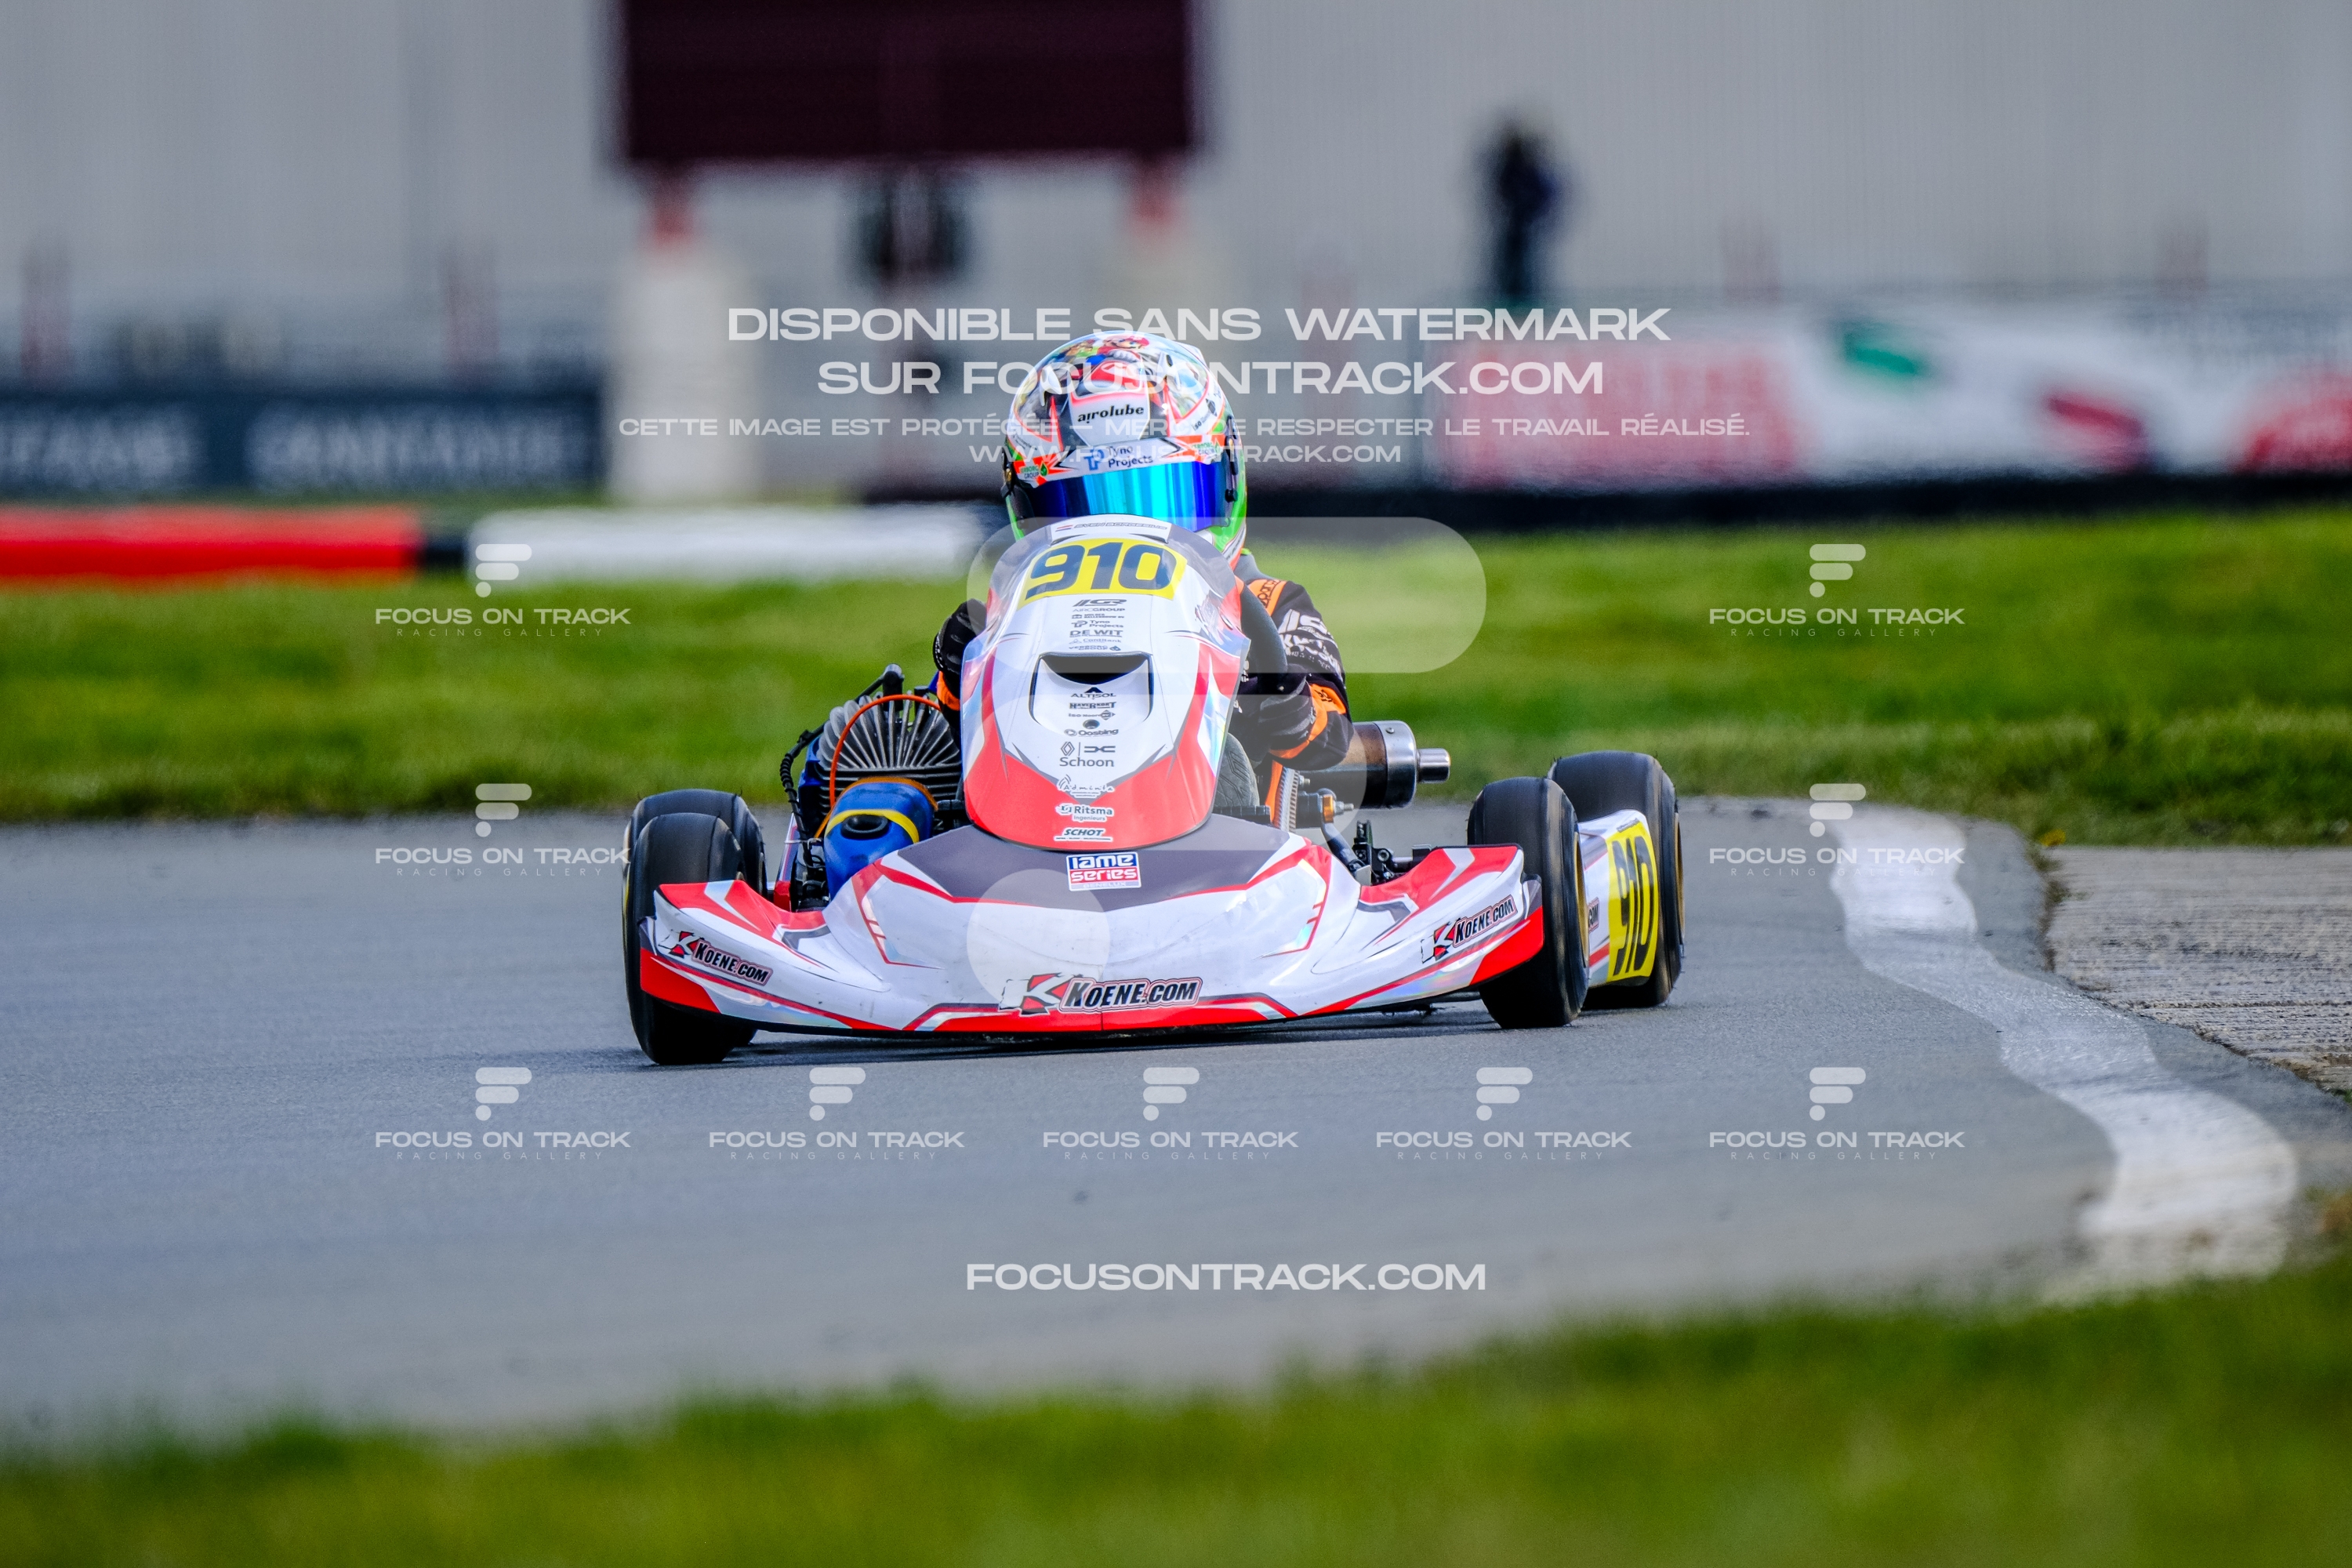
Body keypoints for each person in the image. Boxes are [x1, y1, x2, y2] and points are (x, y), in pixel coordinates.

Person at [930, 331, 1354, 819]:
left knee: (1234, 767)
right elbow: (948, 737)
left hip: (1230, 838)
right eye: (1083, 509)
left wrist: (1287, 705)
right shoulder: (1023, 613)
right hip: (1031, 829)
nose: (1125, 537)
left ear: (1225, 479)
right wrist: (958, 675)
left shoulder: (1266, 602)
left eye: (1160, 498)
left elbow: (1330, 730)